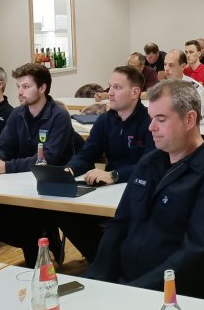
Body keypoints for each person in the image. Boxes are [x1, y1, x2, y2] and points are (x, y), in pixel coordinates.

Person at [85, 79, 204, 303]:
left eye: (161, 119)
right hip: (128, 287)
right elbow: (120, 224)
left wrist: (131, 294)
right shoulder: (149, 163)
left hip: (180, 299)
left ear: (190, 119)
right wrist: (96, 280)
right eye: (151, 118)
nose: (151, 127)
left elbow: (198, 258)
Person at [0, 63, 75, 266]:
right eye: (18, 86)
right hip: (19, 183)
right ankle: (42, 240)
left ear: (42, 88)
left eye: (26, 87)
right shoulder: (18, 114)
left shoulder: (59, 116)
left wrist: (7, 167)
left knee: (28, 218)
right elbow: (4, 146)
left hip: (51, 184)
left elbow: (48, 158)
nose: (20, 92)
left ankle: (37, 253)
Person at [57, 66, 156, 263]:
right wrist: (68, 170)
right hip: (108, 190)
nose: (109, 92)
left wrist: (114, 175)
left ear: (135, 92)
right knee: (64, 213)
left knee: (122, 224)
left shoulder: (150, 122)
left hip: (139, 189)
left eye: (117, 87)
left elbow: (150, 165)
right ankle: (101, 261)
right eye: (110, 86)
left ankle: (108, 263)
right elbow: (87, 154)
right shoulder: (105, 120)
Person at [164, 49, 204, 127]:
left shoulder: (195, 88)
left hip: (193, 128)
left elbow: (195, 118)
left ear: (183, 66)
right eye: (165, 64)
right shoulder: (161, 88)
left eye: (171, 65)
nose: (166, 69)